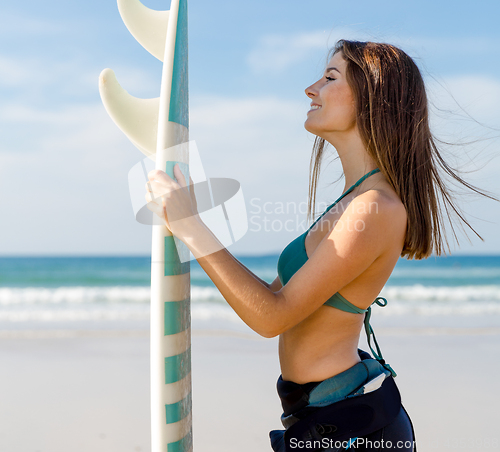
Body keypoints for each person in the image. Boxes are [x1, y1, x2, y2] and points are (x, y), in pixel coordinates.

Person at [144, 39, 497, 451]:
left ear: (373, 100)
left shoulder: (375, 208)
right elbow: (271, 297)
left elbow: (272, 318)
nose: (311, 88)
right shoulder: (353, 200)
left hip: (351, 427)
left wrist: (191, 226)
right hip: (326, 416)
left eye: (330, 77)